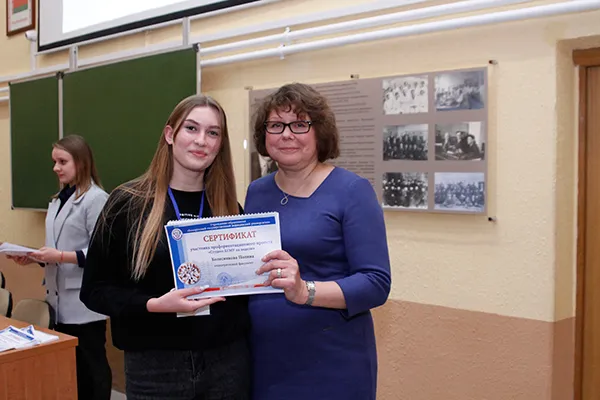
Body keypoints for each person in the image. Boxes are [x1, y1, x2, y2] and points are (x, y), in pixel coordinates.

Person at [79, 94, 251, 400]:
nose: (201, 140)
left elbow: (243, 293)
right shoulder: (127, 204)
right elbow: (94, 290)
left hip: (227, 363)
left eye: (213, 133)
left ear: (220, 145)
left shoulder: (229, 209)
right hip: (154, 368)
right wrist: (153, 304)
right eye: (191, 128)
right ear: (170, 134)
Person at [245, 83, 392, 400]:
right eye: (276, 125)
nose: (287, 134)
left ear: (319, 132)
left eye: (299, 124)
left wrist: (305, 291)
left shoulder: (352, 191)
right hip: (266, 358)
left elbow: (376, 283)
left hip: (330, 361)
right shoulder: (257, 191)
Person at [6, 134, 112, 400]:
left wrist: (60, 256)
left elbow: (103, 253)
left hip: (84, 302)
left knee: (91, 368)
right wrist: (35, 257)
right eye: (54, 162)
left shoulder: (95, 199)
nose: (56, 168)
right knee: (71, 369)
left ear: (81, 162)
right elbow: (56, 248)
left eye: (62, 162)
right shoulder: (58, 200)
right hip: (57, 297)